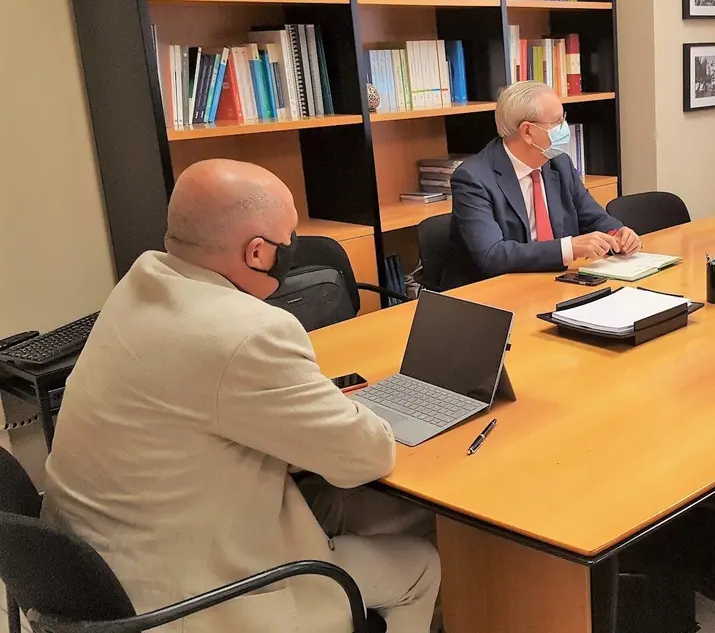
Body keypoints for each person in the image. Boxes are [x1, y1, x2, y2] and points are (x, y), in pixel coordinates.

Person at [41, 160, 441, 633]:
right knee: (422, 562)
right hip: (190, 600)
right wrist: (360, 410)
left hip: (96, 572)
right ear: (257, 254)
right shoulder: (248, 334)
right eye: (289, 239)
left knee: (361, 508)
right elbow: (367, 456)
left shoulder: (139, 284)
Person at [451, 81, 641, 280]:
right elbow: (492, 256)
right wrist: (569, 248)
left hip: (558, 281)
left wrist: (617, 233)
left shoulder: (559, 163)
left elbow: (593, 217)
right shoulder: (473, 178)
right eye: (557, 122)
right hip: (500, 290)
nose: (565, 128)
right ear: (527, 132)